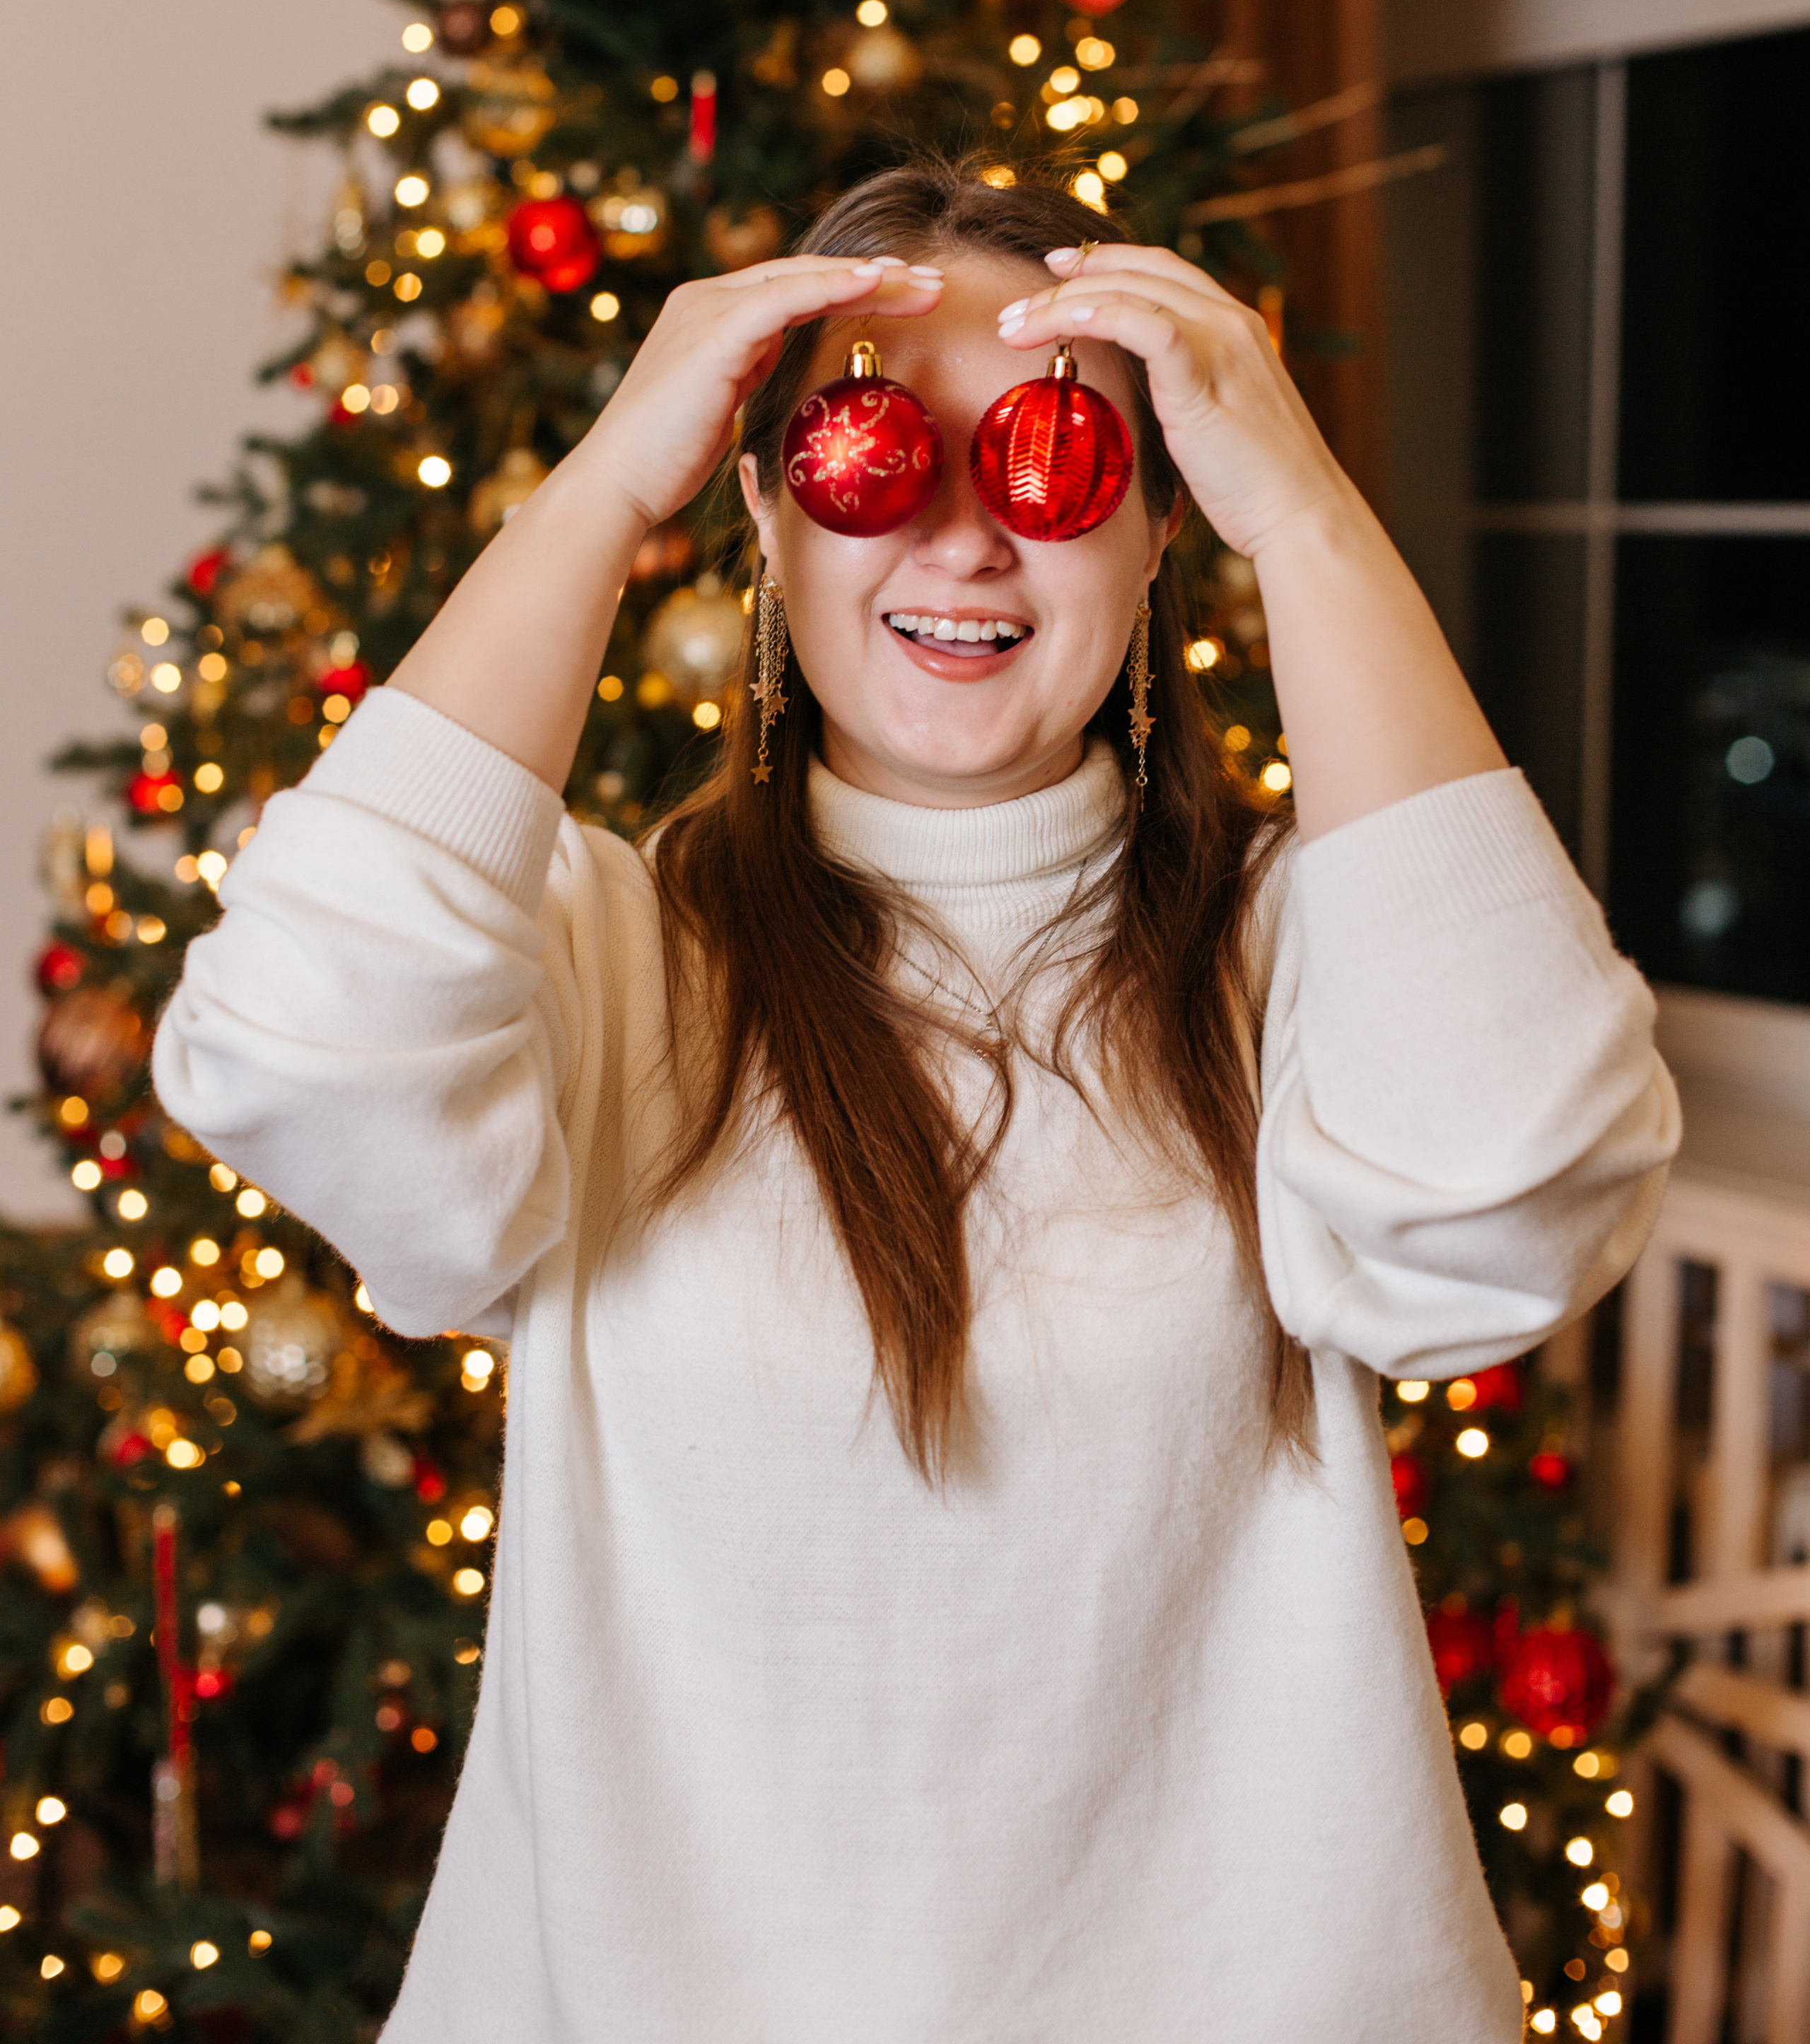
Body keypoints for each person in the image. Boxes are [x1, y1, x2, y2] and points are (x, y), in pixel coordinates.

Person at [155, 163, 1678, 2043]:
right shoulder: (606, 965)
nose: (963, 540)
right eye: (873, 454)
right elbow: (295, 1045)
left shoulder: (1296, 957)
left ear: (1153, 539)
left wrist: (1306, 517)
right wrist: (605, 482)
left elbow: (1512, 1204)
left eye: (1052, 463)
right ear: (768, 523)